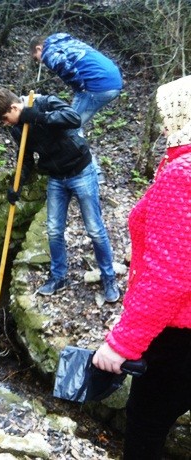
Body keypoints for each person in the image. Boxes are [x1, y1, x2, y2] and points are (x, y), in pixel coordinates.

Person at [92, 75, 191, 459]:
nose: (164, 124)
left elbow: (170, 276)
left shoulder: (183, 175)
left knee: (146, 426)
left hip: (180, 335)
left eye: (170, 114)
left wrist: (124, 342)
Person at [0, 88, 120, 303]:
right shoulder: (17, 130)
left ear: (13, 107)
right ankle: (59, 277)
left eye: (5, 118)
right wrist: (16, 187)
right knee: (54, 230)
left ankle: (108, 277)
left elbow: (73, 118)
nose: (5, 123)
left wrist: (38, 117)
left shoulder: (44, 103)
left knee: (95, 230)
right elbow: (26, 160)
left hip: (81, 171)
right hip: (56, 178)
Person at [30, 33, 124, 184]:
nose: (40, 62)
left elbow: (64, 66)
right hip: (114, 81)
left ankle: (94, 172)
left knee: (69, 124)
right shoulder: (67, 42)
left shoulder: (49, 52)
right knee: (74, 123)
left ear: (39, 48)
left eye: (36, 58)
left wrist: (79, 87)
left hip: (98, 86)